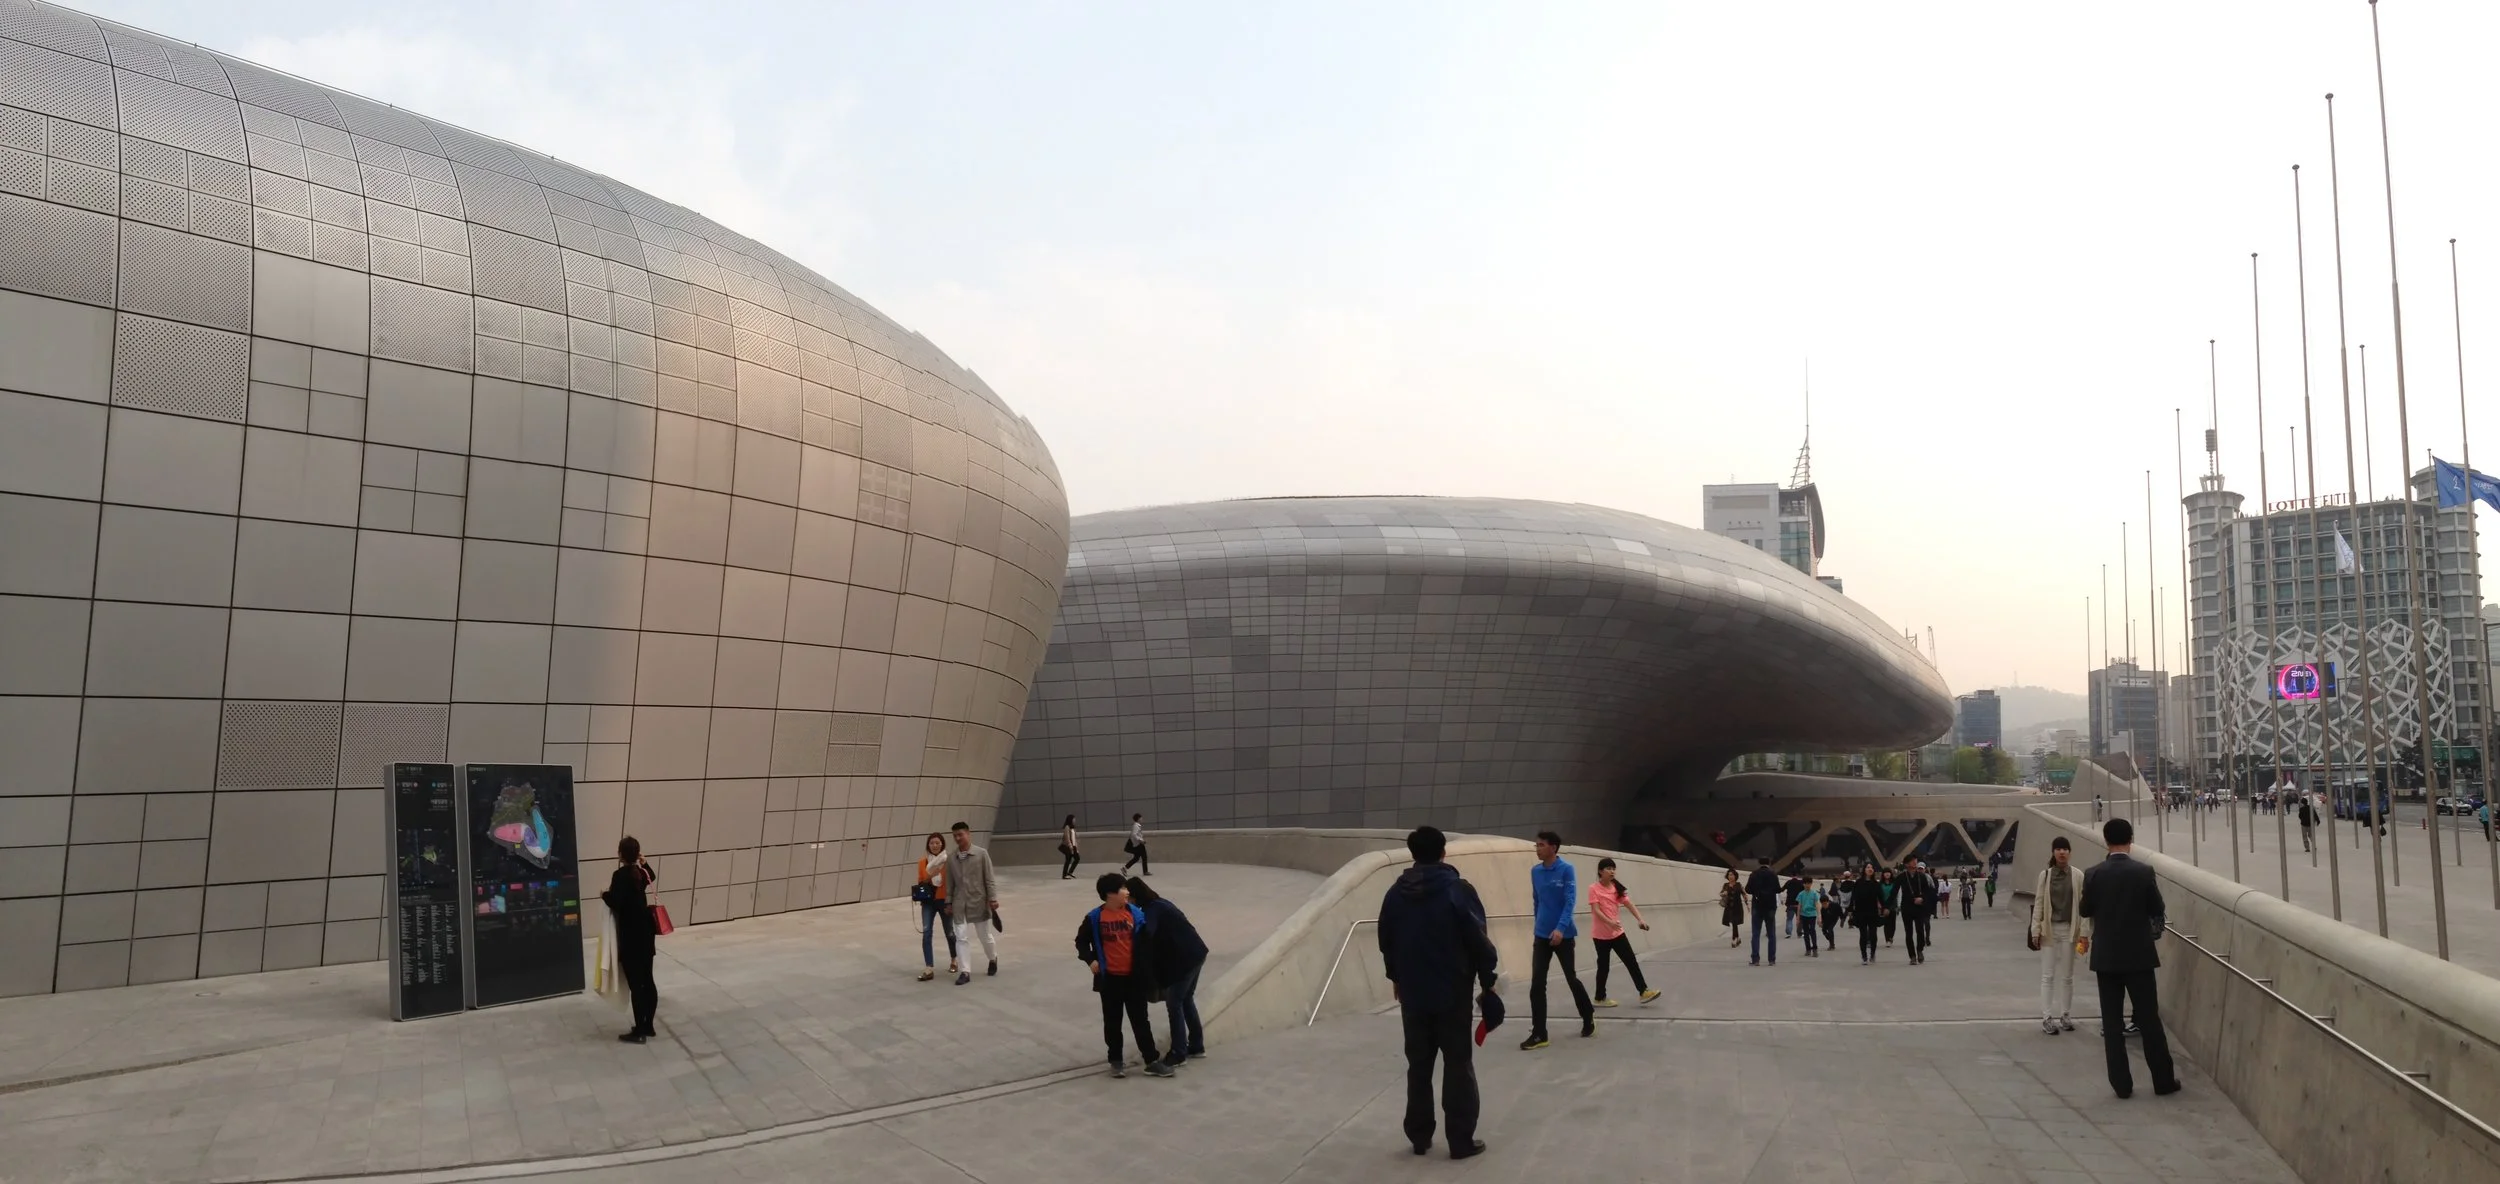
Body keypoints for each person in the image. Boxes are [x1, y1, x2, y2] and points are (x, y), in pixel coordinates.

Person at [1376, 825, 1497, 1161]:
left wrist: (1396, 976)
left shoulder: (1395, 894)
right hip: (1452, 991)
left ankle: (1419, 1136)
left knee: (1418, 1065)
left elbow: (1386, 939)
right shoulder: (1458, 890)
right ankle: (1460, 1140)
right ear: (1444, 851)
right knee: (1458, 1064)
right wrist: (1488, 979)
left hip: (1413, 993)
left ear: (1413, 854)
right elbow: (1477, 938)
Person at [2079, 817, 2179, 1098]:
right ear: (2131, 839)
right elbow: (2157, 907)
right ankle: (2163, 1081)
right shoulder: (2143, 872)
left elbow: (2085, 910)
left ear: (2106, 841)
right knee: (2149, 1019)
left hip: (2106, 959)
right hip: (2139, 956)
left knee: (2112, 1023)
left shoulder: (2093, 873)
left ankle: (2122, 1085)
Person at [1074, 872, 1167, 1078]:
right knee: (1112, 1021)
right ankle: (1116, 1060)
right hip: (1110, 980)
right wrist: (1091, 960)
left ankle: (1151, 1060)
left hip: (1134, 978)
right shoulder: (1094, 918)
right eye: (1123, 888)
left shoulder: (1136, 914)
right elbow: (1080, 942)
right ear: (1109, 894)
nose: (1127, 892)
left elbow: (1147, 941)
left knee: (1140, 1020)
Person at [1523, 831, 1595, 1047]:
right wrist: (1539, 924)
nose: (1538, 849)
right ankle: (1539, 1033)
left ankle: (1588, 1015)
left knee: (1571, 978)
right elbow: (1537, 900)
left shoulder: (1566, 869)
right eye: (1536, 845)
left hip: (1563, 935)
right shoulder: (1535, 872)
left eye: (1541, 845)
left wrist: (1560, 928)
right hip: (1542, 935)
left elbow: (1569, 900)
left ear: (1553, 848)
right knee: (1537, 984)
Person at [1127, 876, 1208, 1068]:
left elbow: (1148, 933)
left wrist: (1133, 935)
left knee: (1174, 1004)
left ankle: (1179, 1053)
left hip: (1186, 960)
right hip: (1196, 953)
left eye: (1129, 897)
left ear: (1135, 895)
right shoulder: (1160, 903)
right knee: (1186, 1000)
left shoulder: (1152, 909)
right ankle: (1196, 1046)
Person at [600, 835, 659, 1042]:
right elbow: (652, 875)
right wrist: (644, 862)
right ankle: (649, 1026)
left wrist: (603, 895)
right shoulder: (642, 873)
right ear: (637, 854)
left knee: (636, 985)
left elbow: (616, 902)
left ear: (620, 854)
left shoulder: (620, 875)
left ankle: (640, 1031)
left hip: (631, 935)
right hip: (646, 932)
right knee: (648, 980)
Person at [2030, 836, 2091, 1035]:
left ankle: (2065, 1014)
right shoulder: (2045, 876)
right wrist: (2035, 930)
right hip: (2049, 930)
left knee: (2067, 976)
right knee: (2047, 975)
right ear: (2053, 852)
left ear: (2069, 852)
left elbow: (2084, 907)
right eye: (2058, 849)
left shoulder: (2077, 875)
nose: (2062, 852)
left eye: (2065, 849)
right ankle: (2047, 1017)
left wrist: (2084, 933)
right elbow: (2039, 903)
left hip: (2069, 930)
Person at [1587, 857, 1660, 1007]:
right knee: (1604, 966)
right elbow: (1596, 910)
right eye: (1608, 868)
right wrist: (1610, 922)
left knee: (1631, 961)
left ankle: (1643, 991)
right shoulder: (1593, 888)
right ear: (1601, 871)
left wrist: (1640, 919)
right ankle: (1599, 998)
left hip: (1617, 934)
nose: (1612, 871)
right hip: (1601, 936)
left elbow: (1628, 904)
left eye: (1613, 868)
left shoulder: (1616, 888)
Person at [946, 821, 1000, 985]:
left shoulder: (981, 854)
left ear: (968, 834)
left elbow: (989, 878)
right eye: (955, 835)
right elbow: (950, 883)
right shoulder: (952, 858)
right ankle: (965, 972)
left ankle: (993, 958)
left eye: (960, 834)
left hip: (978, 901)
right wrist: (948, 902)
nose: (957, 838)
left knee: (984, 936)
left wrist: (993, 898)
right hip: (959, 903)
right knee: (961, 937)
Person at [914, 833, 957, 981]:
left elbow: (953, 882)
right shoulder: (922, 862)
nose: (935, 845)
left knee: (949, 932)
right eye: (932, 843)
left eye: (937, 843)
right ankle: (929, 967)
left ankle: (954, 959)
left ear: (942, 844)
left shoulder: (949, 861)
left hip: (944, 901)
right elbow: (921, 881)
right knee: (926, 933)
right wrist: (932, 872)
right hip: (928, 901)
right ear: (928, 845)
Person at [1897, 858, 1935, 966]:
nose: (1915, 863)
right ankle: (1912, 956)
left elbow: (1928, 892)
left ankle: (1919, 950)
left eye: (1916, 861)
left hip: (1919, 908)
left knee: (1920, 931)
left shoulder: (1922, 876)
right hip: (1907, 908)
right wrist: (1886, 905)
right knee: (1908, 933)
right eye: (1912, 861)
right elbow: (1894, 890)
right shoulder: (1902, 877)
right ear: (1907, 864)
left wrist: (1922, 899)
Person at [1848, 863, 1888, 964]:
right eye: (1868, 867)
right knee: (1863, 934)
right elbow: (1853, 897)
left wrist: (1885, 908)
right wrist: (1850, 910)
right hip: (1860, 912)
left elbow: (1881, 898)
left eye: (1872, 867)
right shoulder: (1858, 883)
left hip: (1872, 912)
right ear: (1864, 870)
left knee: (1873, 934)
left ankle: (1873, 953)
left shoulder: (1876, 884)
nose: (1870, 869)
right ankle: (1864, 956)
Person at [1745, 857, 1781, 967]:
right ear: (1769, 863)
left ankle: (1755, 959)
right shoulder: (1773, 874)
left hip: (1757, 906)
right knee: (1771, 934)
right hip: (1770, 907)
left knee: (1756, 933)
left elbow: (1747, 889)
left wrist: (1757, 891)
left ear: (1759, 863)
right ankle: (1771, 959)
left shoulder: (1754, 874)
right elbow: (1778, 889)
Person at [1718, 869, 1744, 947]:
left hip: (1737, 907)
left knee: (1734, 922)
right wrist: (1723, 893)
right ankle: (1737, 938)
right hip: (1729, 907)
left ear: (1735, 876)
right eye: (1729, 875)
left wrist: (1746, 898)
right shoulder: (1726, 885)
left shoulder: (1739, 885)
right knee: (1733, 923)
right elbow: (1721, 893)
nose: (1731, 876)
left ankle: (1734, 939)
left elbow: (1744, 893)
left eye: (1732, 875)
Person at [1795, 876, 1820, 957]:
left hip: (1812, 914)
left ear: (1811, 884)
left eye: (1809, 883)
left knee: (1812, 930)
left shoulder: (1814, 893)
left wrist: (1819, 915)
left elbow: (1817, 904)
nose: (1807, 885)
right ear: (1803, 884)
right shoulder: (1801, 894)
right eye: (1806, 883)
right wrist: (1798, 917)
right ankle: (1808, 949)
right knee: (1806, 933)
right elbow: (1799, 906)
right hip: (1804, 915)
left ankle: (1815, 948)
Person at [1879, 868, 1899, 947]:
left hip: (1893, 905)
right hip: (1884, 905)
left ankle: (1891, 937)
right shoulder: (1880, 884)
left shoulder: (1894, 884)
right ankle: (1887, 939)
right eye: (1885, 873)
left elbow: (1898, 895)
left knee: (1892, 923)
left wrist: (1898, 906)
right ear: (1883, 875)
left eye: (1888, 873)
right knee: (1886, 923)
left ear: (1891, 874)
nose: (1887, 874)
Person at [1059, 814, 1081, 879]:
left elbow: (1075, 838)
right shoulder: (1067, 827)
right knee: (1068, 860)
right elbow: (1067, 837)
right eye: (1073, 819)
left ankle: (1069, 872)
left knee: (1077, 858)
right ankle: (1065, 875)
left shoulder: (1073, 827)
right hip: (1069, 846)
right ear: (1070, 820)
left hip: (1074, 846)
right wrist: (1070, 846)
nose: (1075, 820)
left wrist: (1076, 847)